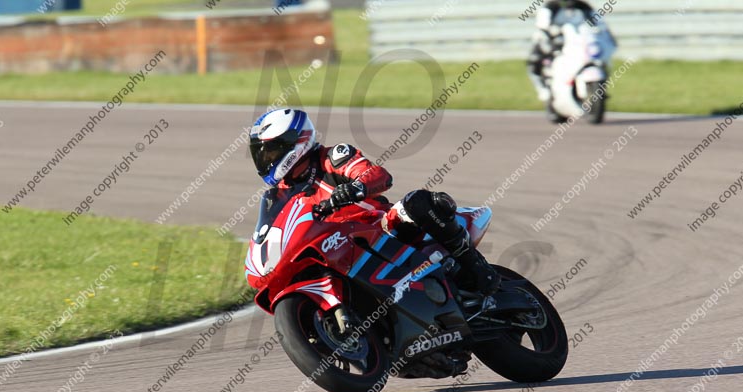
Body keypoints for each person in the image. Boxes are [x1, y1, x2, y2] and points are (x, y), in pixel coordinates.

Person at [248, 108, 500, 295]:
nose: (266, 159)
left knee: (416, 202)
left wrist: (355, 189)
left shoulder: (331, 158)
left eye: (271, 151)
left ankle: (474, 266)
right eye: (262, 154)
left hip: (380, 227)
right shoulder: (281, 193)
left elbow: (378, 176)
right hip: (337, 249)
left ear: (297, 141)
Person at [526, 0, 600, 102]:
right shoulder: (551, 7)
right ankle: (543, 88)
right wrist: (551, 37)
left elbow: (598, 24)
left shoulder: (584, 7)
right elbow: (542, 26)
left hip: (579, 43)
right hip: (556, 41)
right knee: (534, 59)